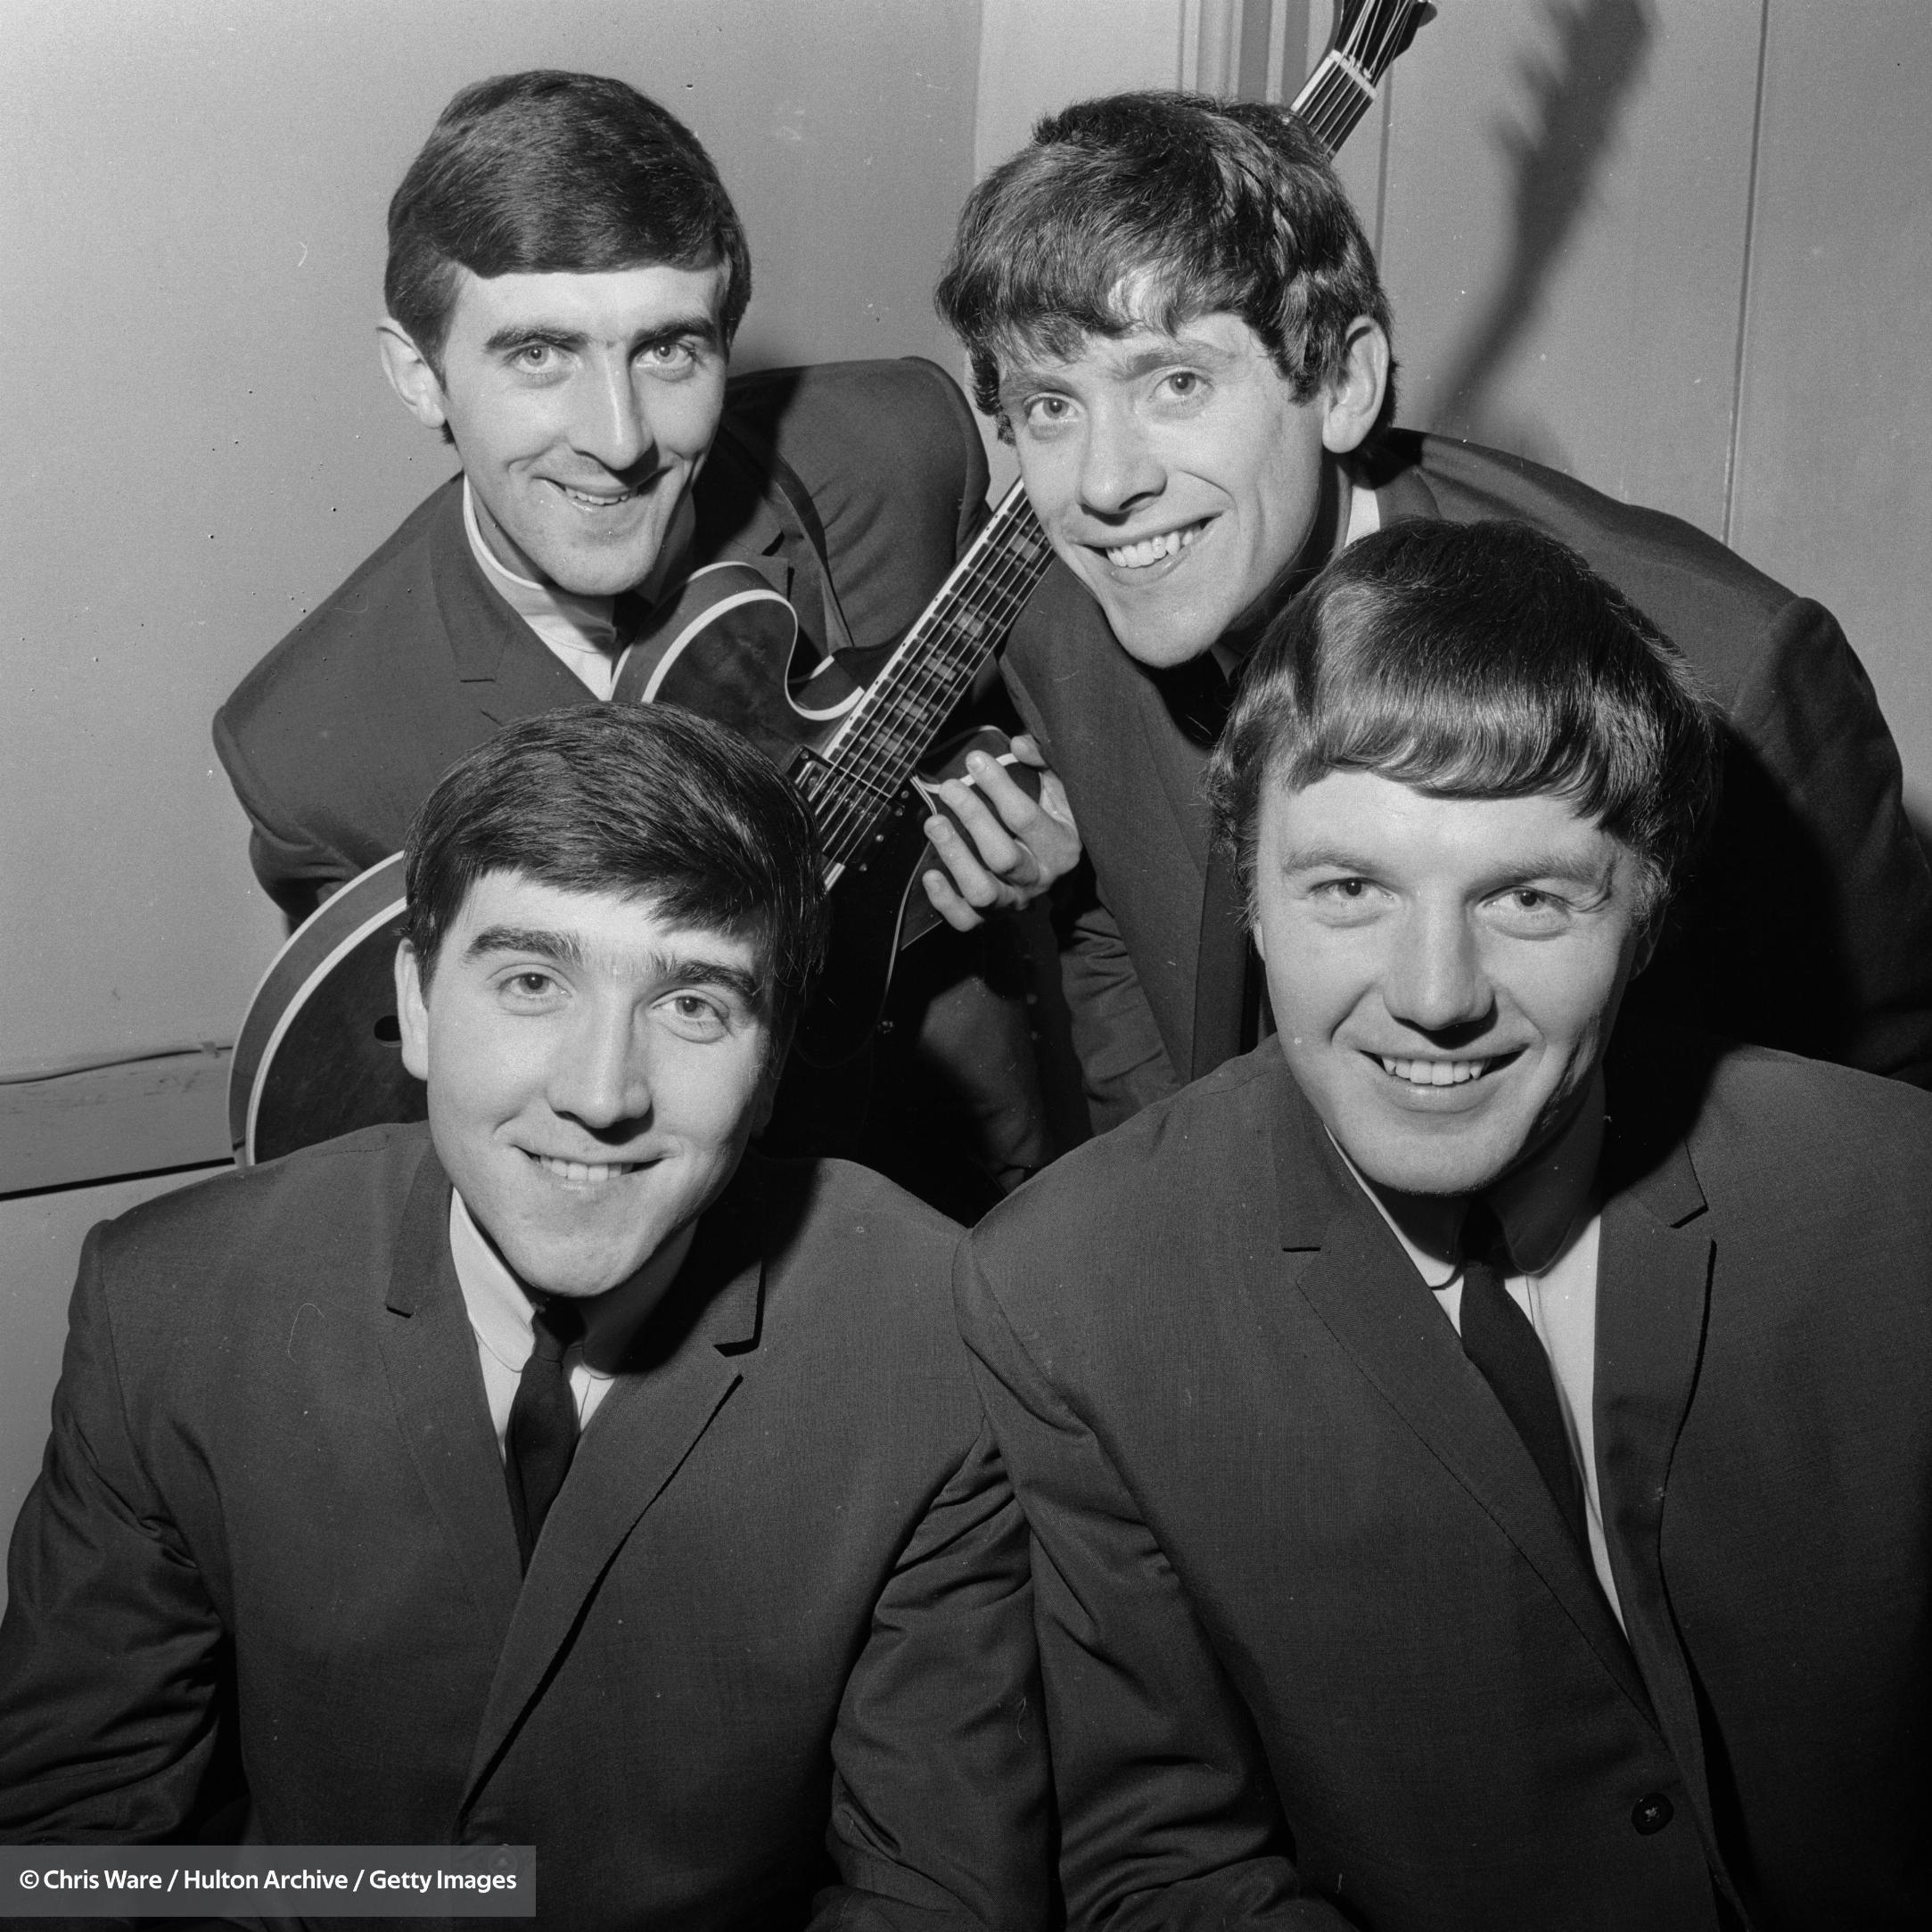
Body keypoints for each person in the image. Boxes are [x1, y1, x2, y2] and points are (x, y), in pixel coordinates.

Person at [955, 519, 1932, 1931]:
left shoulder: (1889, 1197)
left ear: (1646, 910)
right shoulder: (1071, 1291)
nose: (1431, 994)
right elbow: (1162, 1862)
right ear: (1250, 897)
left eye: (1526, 897)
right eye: (1348, 888)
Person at [2, 706, 1050, 1929]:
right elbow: (61, 1855)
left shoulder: (942, 1339)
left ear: (772, 1060)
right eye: (532, 982)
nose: (599, 1094)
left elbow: (938, 1896)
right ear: (417, 1003)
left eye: (693, 1004)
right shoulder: (170, 1300)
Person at [935, 90, 1932, 1130]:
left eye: (1176, 383)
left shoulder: (1734, 671)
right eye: (1050, 405)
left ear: (1342, 383)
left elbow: (1882, 1122)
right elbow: (1133, 980)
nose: (1103, 484)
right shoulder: (1063, 627)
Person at [216, 70, 1080, 1213]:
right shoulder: (317, 747)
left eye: (669, 350)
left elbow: (1076, 728)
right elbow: (396, 1151)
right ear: (420, 375)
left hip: (980, 1190)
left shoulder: (893, 454)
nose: (620, 439)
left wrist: (1057, 826)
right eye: (540, 355)